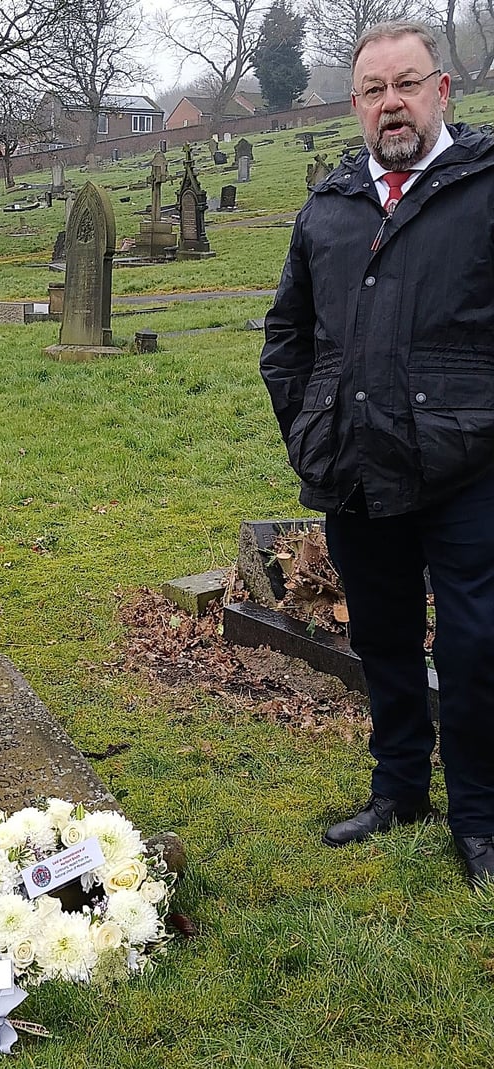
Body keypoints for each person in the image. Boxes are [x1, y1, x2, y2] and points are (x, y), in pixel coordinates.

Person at [260, 20, 494, 884]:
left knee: (475, 648)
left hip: (469, 470)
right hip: (355, 466)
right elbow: (287, 336)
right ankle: (400, 788)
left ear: (441, 90)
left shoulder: (482, 187)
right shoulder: (330, 207)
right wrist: (310, 428)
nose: (390, 103)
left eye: (406, 84)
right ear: (356, 104)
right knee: (386, 640)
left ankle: (480, 817)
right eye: (373, 90)